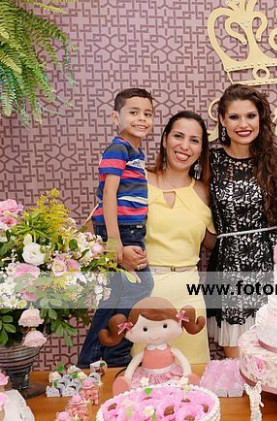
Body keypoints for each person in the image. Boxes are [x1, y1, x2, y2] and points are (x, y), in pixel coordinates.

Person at [124, 111, 215, 364]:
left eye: (194, 140)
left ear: (201, 150)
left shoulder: (205, 191)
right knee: (145, 374)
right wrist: (118, 253)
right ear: (165, 139)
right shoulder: (137, 180)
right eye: (178, 136)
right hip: (144, 294)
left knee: (192, 373)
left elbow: (216, 244)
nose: (185, 146)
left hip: (189, 299)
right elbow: (99, 228)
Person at [208, 84, 277, 358]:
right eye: (234, 117)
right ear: (222, 119)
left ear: (260, 118)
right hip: (231, 272)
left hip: (274, 271)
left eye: (250, 116)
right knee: (238, 363)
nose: (243, 124)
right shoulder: (209, 162)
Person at [79, 88, 155, 368]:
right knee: (132, 287)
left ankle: (112, 353)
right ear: (115, 117)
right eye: (133, 112)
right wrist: (114, 241)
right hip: (121, 229)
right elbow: (108, 193)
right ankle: (98, 354)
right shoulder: (118, 148)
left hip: (131, 228)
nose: (142, 119)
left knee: (124, 290)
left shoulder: (135, 152)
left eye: (147, 114)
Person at [99, 297, 205, 393]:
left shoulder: (171, 350)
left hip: (169, 374)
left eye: (164, 326)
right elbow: (133, 364)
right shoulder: (144, 353)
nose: (155, 334)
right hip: (147, 377)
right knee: (141, 389)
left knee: (176, 385)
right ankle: (125, 385)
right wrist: (127, 378)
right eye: (145, 329)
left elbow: (183, 360)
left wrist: (187, 374)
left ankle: (188, 381)